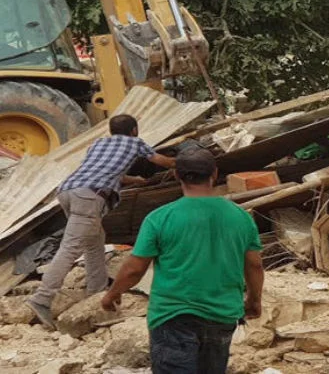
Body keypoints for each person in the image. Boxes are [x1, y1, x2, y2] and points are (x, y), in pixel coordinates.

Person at [101, 147, 264, 374]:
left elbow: (134, 269)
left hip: (173, 316)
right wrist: (254, 300)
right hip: (222, 315)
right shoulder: (240, 216)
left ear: (177, 175)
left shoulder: (160, 217)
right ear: (214, 174)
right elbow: (254, 264)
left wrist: (113, 293)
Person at [27, 114, 176, 329]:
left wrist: (135, 180)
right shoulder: (135, 142)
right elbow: (161, 161)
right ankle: (41, 299)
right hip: (89, 196)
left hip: (68, 191)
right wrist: (183, 164)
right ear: (134, 130)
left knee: (95, 241)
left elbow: (107, 172)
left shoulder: (99, 143)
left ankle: (96, 290)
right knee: (70, 247)